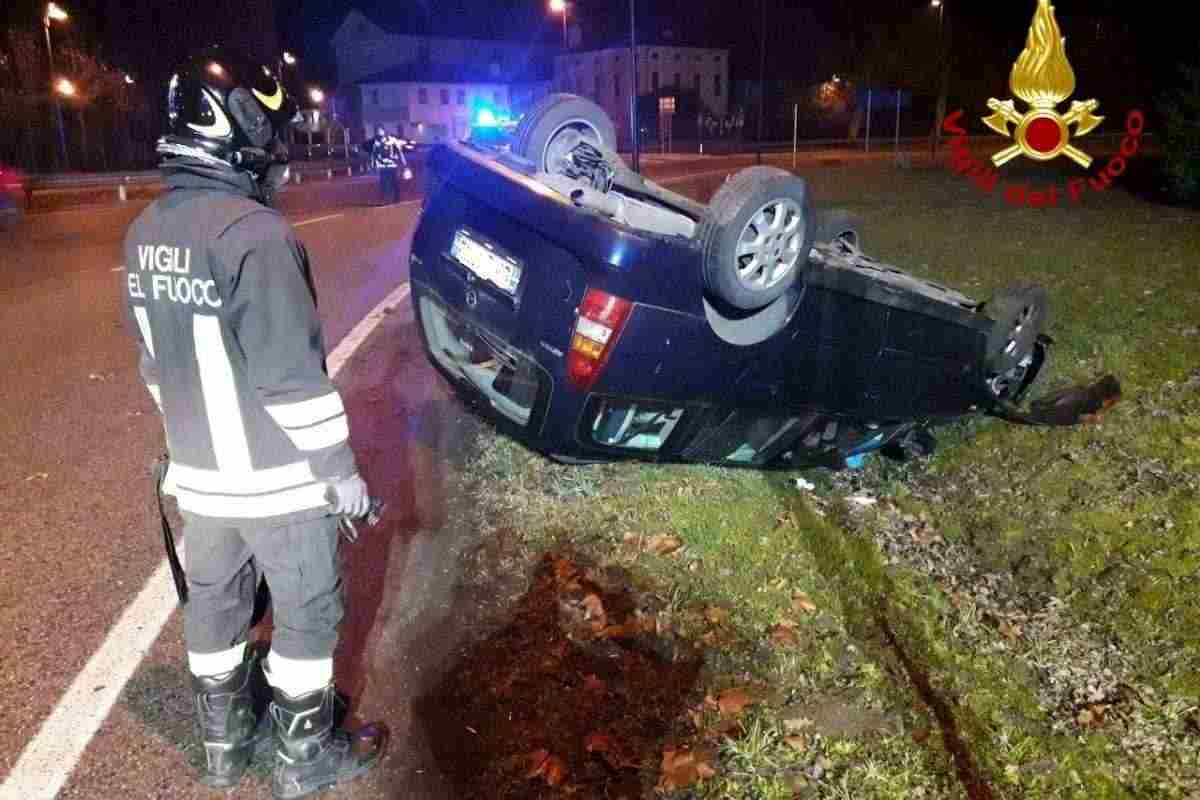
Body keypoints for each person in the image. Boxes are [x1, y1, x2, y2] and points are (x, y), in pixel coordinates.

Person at [122, 48, 384, 797]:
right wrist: (341, 476)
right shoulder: (257, 235)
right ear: (231, 130)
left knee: (215, 604)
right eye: (266, 135)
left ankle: (224, 745)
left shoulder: (144, 232)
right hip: (277, 484)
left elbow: (154, 366)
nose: (273, 155)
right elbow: (292, 378)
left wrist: (189, 452)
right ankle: (304, 761)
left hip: (200, 485)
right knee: (306, 614)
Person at [366, 124, 407, 205]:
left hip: (392, 165)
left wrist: (404, 163)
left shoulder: (392, 140)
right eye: (377, 131)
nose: (379, 132)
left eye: (380, 130)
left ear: (383, 131)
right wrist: (372, 165)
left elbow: (399, 152)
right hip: (382, 166)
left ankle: (396, 198)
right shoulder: (377, 143)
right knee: (384, 183)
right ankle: (385, 199)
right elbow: (374, 155)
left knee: (394, 182)